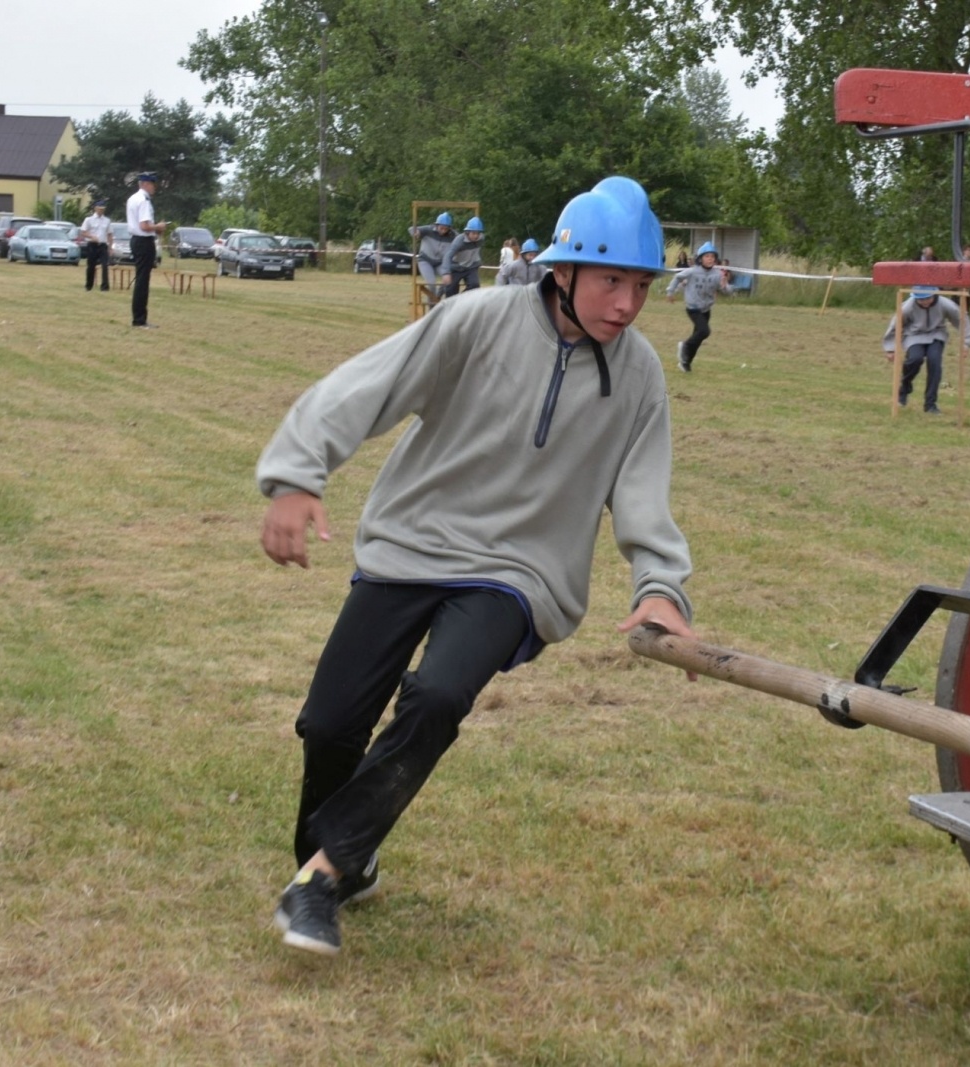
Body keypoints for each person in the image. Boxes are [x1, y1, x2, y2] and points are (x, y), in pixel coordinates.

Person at [259, 175, 695, 958]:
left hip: (521, 571)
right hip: (412, 543)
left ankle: (322, 876)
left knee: (437, 693)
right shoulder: (475, 320)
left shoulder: (639, 375)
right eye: (610, 280)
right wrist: (297, 475)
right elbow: (366, 387)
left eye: (640, 285)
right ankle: (338, 862)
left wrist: (661, 587)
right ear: (561, 271)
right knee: (328, 723)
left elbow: (643, 489)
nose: (627, 304)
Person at [882, 286, 970, 414]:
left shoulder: (945, 304)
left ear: (934, 295)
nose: (924, 302)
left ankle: (930, 404)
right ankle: (904, 387)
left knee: (934, 362)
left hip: (937, 334)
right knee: (914, 359)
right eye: (921, 300)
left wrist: (966, 343)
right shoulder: (907, 307)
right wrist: (890, 348)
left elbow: (963, 320)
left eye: (927, 298)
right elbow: (895, 326)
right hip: (914, 335)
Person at [665, 241, 731, 372]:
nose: (710, 259)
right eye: (707, 256)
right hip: (693, 308)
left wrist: (725, 286)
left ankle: (685, 363)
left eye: (712, 256)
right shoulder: (692, 271)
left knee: (698, 337)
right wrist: (670, 291)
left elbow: (725, 291)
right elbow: (678, 277)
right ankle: (684, 346)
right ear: (700, 259)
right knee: (704, 331)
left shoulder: (717, 274)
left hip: (706, 309)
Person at [125, 173, 165, 329]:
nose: (154, 187)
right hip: (144, 241)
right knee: (142, 281)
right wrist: (159, 227)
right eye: (153, 184)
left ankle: (140, 317)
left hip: (136, 240)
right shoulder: (144, 201)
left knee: (141, 279)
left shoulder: (132, 198)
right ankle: (139, 319)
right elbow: (144, 226)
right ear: (146, 184)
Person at [409, 212, 455, 306]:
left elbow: (461, 239)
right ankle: (431, 308)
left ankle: (437, 297)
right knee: (432, 283)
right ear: (436, 225)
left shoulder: (453, 235)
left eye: (446, 229)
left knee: (448, 280)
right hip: (425, 261)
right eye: (441, 228)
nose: (443, 230)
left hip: (440, 263)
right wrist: (416, 232)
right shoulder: (428, 230)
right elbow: (411, 229)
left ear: (449, 228)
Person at [439, 216, 485, 296]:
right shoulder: (459, 240)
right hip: (456, 267)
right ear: (467, 232)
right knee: (451, 289)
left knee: (475, 286)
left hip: (470, 267)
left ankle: (461, 300)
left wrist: (478, 262)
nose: (476, 236)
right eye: (473, 233)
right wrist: (446, 272)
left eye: (478, 233)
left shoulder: (481, 239)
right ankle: (444, 293)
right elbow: (448, 255)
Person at [80, 199, 112, 293]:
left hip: (103, 245)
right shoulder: (88, 220)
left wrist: (110, 247)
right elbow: (83, 232)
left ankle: (105, 287)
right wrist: (91, 236)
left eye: (102, 209)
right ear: (95, 208)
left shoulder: (107, 220)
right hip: (92, 245)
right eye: (99, 209)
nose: (101, 211)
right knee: (91, 266)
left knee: (105, 265)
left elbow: (109, 234)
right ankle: (88, 286)